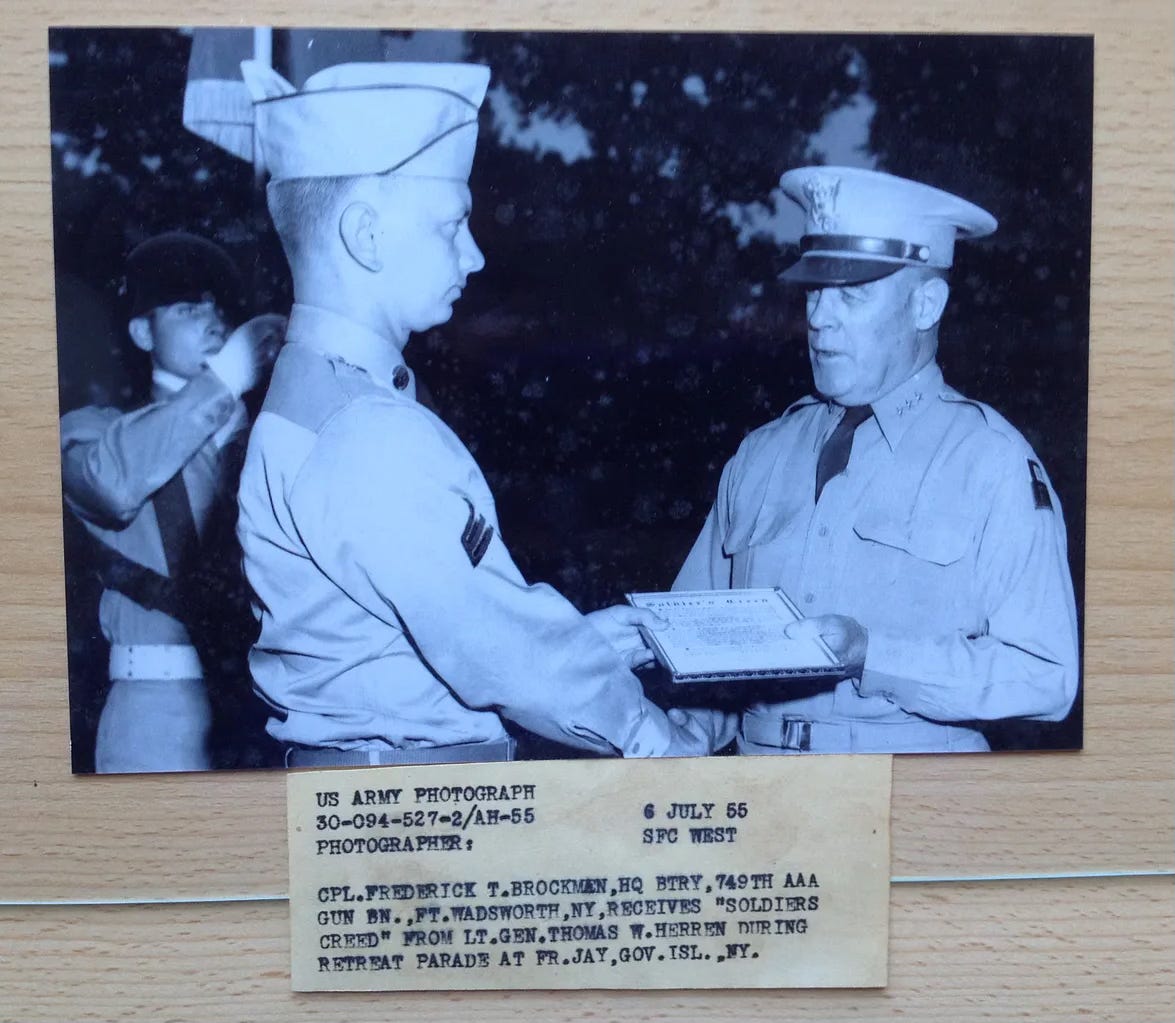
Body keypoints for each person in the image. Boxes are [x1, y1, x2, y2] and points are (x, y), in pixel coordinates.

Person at [234, 59, 731, 766]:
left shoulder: (323, 395)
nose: (472, 256)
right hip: (416, 807)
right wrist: (660, 741)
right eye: (449, 225)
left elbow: (408, 633)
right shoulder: (366, 430)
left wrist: (579, 642)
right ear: (366, 236)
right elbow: (498, 653)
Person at [674, 166, 1079, 754]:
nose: (819, 319)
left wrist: (871, 655)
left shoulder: (989, 460)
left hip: (912, 796)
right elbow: (701, 661)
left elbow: (1046, 677)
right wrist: (676, 734)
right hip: (758, 794)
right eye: (815, 291)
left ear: (925, 304)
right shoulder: (759, 455)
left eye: (854, 294)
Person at [60, 231, 284, 772]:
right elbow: (112, 485)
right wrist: (225, 378)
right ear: (142, 332)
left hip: (273, 708)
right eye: (187, 309)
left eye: (219, 310)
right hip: (160, 711)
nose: (214, 322)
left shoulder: (269, 434)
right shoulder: (93, 433)